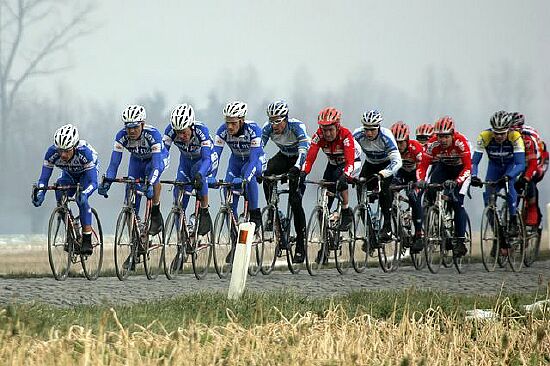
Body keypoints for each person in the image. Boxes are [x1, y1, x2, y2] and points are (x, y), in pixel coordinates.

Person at [98, 105, 169, 235]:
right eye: (128, 127)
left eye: (135, 127)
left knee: (152, 178)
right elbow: (114, 164)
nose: (131, 131)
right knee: (130, 185)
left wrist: (151, 183)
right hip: (137, 160)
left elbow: (156, 166)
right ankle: (135, 234)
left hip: (156, 159)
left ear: (142, 124)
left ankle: (155, 210)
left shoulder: (153, 135)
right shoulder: (121, 136)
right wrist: (107, 181)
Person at [32, 124, 99, 255]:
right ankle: (71, 228)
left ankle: (86, 238)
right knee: (59, 191)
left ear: (74, 147)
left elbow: (94, 182)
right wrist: (41, 193)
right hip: (69, 175)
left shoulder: (85, 153)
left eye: (67, 151)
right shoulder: (51, 153)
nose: (62, 155)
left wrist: (85, 193)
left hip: (86, 175)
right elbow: (44, 179)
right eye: (60, 150)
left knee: (81, 200)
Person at [261, 100, 310, 263]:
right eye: (271, 120)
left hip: (299, 158)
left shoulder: (297, 127)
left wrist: (297, 168)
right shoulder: (267, 128)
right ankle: (272, 210)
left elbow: (304, 151)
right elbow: (259, 150)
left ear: (285, 118)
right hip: (284, 156)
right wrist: (258, 169)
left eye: (278, 121)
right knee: (267, 174)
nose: (274, 125)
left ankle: (301, 245)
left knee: (295, 201)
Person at [417, 116, 472, 257]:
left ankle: (460, 241)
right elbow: (422, 166)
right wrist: (421, 180)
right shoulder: (432, 144)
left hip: (461, 170)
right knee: (430, 189)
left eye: (446, 136)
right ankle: (434, 219)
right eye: (440, 136)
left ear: (452, 134)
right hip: (444, 167)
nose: (442, 140)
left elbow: (468, 167)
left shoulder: (461, 142)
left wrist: (458, 181)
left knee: (457, 202)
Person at [301, 107, 362, 231]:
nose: (327, 134)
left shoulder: (345, 135)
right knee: (325, 190)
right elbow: (310, 158)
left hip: (351, 162)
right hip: (333, 163)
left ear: (337, 127)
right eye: (324, 130)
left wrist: (345, 176)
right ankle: (326, 240)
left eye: (330, 130)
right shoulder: (318, 136)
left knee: (339, 177)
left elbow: (350, 161)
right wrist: (303, 172)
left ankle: (345, 210)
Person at [470, 111, 525, 237]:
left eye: (502, 133)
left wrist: (509, 176)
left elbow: (520, 164)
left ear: (508, 130)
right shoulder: (484, 136)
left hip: (510, 167)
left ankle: (513, 220)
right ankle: (497, 232)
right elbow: (475, 162)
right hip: (494, 167)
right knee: (488, 197)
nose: (499, 136)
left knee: (508, 185)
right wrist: (473, 176)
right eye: (496, 133)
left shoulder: (515, 136)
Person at [213, 101, 265, 231]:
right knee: (228, 192)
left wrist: (245, 179)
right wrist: (211, 176)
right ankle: (234, 238)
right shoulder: (222, 131)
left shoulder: (254, 130)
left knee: (249, 177)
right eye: (227, 122)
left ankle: (255, 213)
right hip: (235, 162)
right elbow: (215, 156)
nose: (229, 127)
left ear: (242, 121)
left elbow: (253, 160)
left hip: (255, 160)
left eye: (233, 123)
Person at [163, 103, 215, 235]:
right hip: (185, 162)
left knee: (196, 173)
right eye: (178, 133)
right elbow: (163, 153)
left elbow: (207, 159)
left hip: (204, 160)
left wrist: (200, 174)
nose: (180, 136)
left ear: (191, 126)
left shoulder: (201, 130)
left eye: (184, 132)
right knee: (178, 194)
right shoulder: (170, 131)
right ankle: (182, 240)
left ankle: (204, 211)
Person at [353, 110, 402, 243]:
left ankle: (387, 226)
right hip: (370, 164)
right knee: (360, 190)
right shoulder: (357, 134)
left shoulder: (386, 136)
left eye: (372, 130)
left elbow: (397, 161)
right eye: (366, 129)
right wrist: (352, 173)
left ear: (378, 127)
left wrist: (383, 174)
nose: (369, 133)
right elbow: (350, 155)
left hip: (386, 165)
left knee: (384, 190)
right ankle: (370, 232)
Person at [389, 121, 424, 251]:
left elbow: (422, 168)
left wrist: (418, 182)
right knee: (389, 191)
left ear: (407, 140)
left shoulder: (415, 148)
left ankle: (419, 234)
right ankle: (398, 227)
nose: (398, 146)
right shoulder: (390, 149)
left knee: (413, 195)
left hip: (416, 174)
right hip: (401, 173)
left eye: (401, 142)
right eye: (395, 143)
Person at [509, 112, 548, 228]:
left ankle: (532, 209)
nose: (512, 133)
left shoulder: (527, 138)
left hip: (539, 160)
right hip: (521, 160)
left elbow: (533, 165)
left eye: (515, 130)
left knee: (530, 180)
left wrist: (526, 177)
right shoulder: (507, 137)